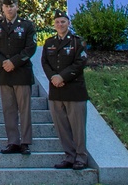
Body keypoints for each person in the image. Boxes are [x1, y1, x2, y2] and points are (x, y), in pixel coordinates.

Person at [0, 0, 37, 154]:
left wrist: (14, 62)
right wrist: (3, 62)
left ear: (17, 7)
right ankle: (13, 141)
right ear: (2, 8)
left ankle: (26, 142)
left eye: (12, 5)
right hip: (4, 73)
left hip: (21, 72)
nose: (9, 9)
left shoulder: (27, 25)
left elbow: (30, 48)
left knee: (24, 109)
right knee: (8, 109)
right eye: (6, 6)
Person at [42, 11, 90, 170]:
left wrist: (62, 77)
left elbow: (79, 63)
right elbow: (45, 63)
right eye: (57, 22)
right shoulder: (49, 43)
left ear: (68, 23)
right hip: (56, 91)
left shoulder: (77, 42)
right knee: (61, 126)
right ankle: (69, 156)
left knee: (77, 127)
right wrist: (53, 78)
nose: (60, 25)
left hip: (74, 91)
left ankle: (81, 157)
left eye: (63, 21)